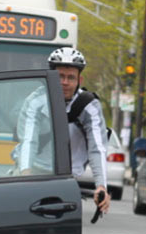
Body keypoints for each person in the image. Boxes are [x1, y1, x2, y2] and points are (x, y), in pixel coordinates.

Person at [47, 47, 111, 215]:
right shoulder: (36, 101)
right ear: (51, 76)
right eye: (60, 76)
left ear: (79, 80)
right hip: (36, 176)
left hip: (67, 179)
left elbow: (97, 148)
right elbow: (27, 142)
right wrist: (26, 175)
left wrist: (101, 186)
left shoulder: (89, 106)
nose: (65, 82)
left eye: (70, 77)